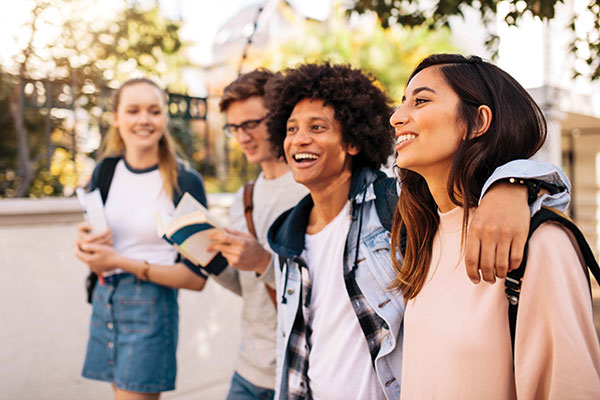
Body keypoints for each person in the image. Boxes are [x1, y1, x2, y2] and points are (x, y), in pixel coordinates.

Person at [264, 62, 571, 399]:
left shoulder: (394, 209)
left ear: (353, 141)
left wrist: (512, 184)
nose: (299, 139)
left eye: (317, 127)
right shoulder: (286, 238)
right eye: (291, 129)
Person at [390, 54, 600, 399]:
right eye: (402, 103)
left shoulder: (540, 242)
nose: (397, 117)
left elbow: (569, 388)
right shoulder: (422, 235)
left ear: (478, 121)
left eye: (421, 101)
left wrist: (519, 183)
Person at [74, 78, 212, 400]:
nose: (144, 120)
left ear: (164, 117)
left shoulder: (185, 182)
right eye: (133, 110)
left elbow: (195, 277)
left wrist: (119, 262)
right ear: (116, 118)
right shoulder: (104, 172)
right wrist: (84, 244)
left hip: (151, 307)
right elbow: (96, 240)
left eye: (153, 111)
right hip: (105, 301)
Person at [203, 69, 308, 400]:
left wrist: (262, 261)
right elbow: (249, 288)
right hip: (248, 368)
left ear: (278, 117)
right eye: (235, 128)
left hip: (297, 369)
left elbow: (327, 287)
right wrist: (208, 259)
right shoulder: (244, 197)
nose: (242, 137)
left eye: (251, 124)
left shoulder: (311, 189)